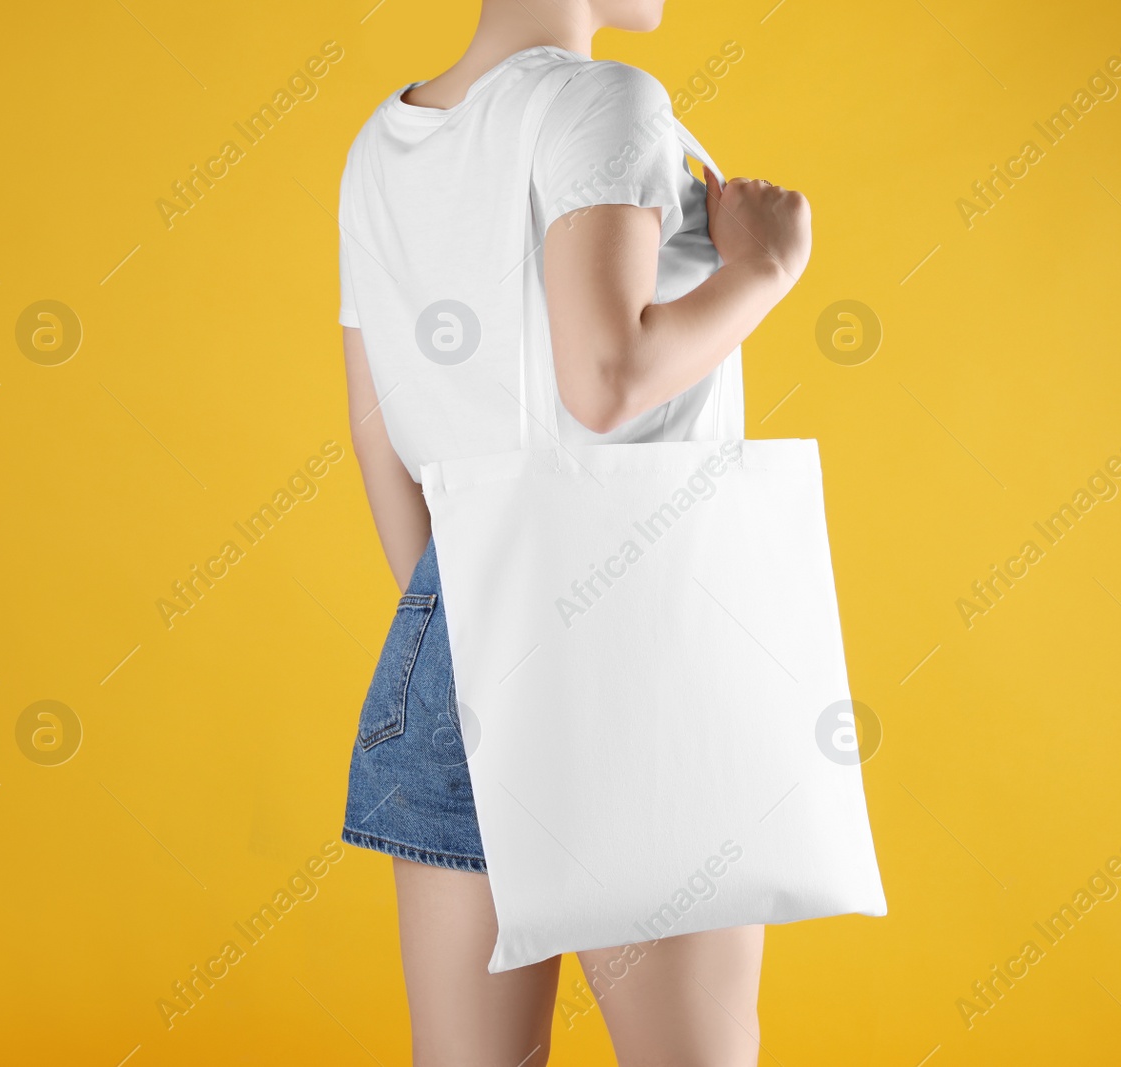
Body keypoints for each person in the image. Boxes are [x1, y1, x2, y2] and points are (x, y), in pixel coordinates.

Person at [334, 1, 810, 1062]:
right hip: (632, 635)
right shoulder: (605, 101)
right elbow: (606, 380)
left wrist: (481, 626)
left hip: (450, 623)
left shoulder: (381, 144)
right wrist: (765, 268)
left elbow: (377, 437)